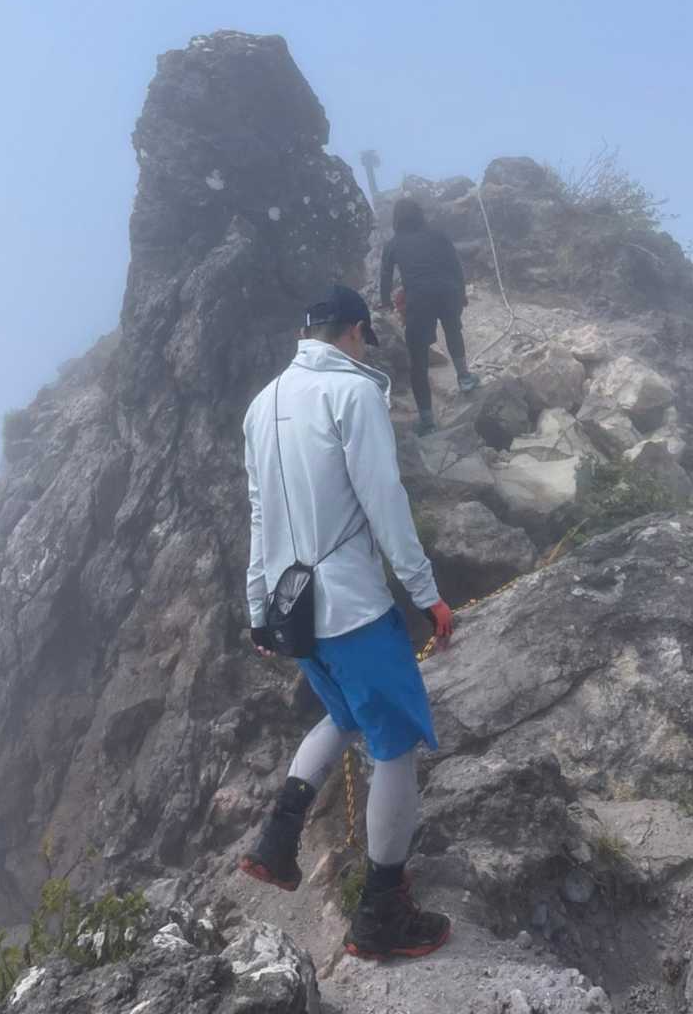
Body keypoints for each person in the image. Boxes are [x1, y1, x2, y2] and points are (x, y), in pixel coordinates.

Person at [240, 283, 456, 961]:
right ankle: (381, 912)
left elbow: (259, 514)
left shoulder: (262, 404)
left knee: (343, 715)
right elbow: (384, 499)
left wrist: (258, 608)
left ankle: (277, 842)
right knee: (394, 747)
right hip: (350, 607)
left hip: (292, 607)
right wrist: (426, 594)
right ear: (356, 331)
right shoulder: (352, 393)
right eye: (365, 338)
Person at [379, 198, 479, 435]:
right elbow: (455, 265)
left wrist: (386, 303)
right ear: (419, 214)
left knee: (418, 359)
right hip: (447, 292)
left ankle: (427, 421)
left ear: (396, 219)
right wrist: (461, 293)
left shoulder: (393, 244)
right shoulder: (438, 235)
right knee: (453, 331)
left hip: (418, 300)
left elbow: (385, 276)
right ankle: (465, 378)